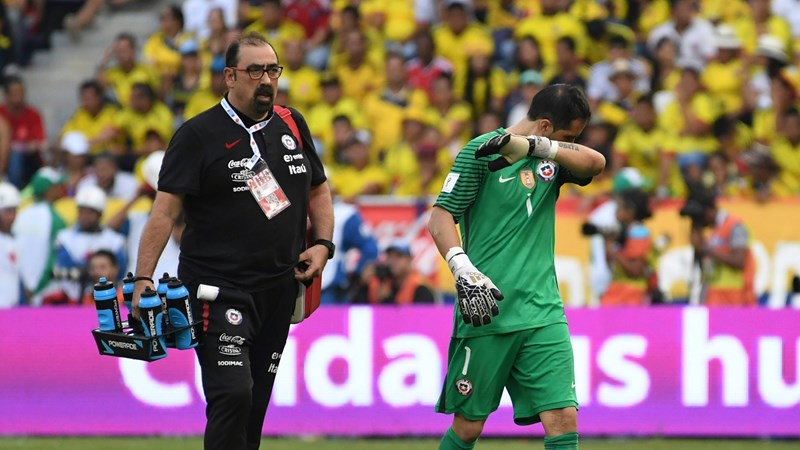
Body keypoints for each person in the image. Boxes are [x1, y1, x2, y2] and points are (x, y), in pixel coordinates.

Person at [131, 33, 334, 450]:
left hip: (279, 289)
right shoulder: (197, 135)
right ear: (229, 76)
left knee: (255, 406)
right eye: (255, 70)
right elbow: (164, 212)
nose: (266, 80)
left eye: (272, 70)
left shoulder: (291, 123)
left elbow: (318, 189)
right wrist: (142, 278)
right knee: (233, 394)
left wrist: (323, 244)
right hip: (217, 290)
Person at [428, 84, 605, 450]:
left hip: (543, 311)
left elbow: (596, 163)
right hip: (488, 307)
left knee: (562, 418)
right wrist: (462, 268)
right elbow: (441, 217)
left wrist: (539, 147)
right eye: (568, 136)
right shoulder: (480, 152)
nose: (570, 144)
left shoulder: (553, 159)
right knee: (469, 426)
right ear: (544, 124)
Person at [681, 188, 756, 306]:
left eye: (699, 217)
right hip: (715, 298)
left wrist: (705, 249)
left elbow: (739, 261)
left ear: (709, 211)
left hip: (735, 298)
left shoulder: (735, 226)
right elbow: (704, 269)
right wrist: (699, 248)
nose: (699, 222)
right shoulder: (714, 231)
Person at [365, 239, 435, 305]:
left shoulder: (420, 289)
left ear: (409, 259)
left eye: (398, 256)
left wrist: (387, 300)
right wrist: (363, 284)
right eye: (390, 256)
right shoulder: (381, 283)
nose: (393, 261)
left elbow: (421, 316)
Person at [0, 181, 21, 308]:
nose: (12, 217)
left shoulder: (15, 240)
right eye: (7, 212)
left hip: (12, 312)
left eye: (14, 211)